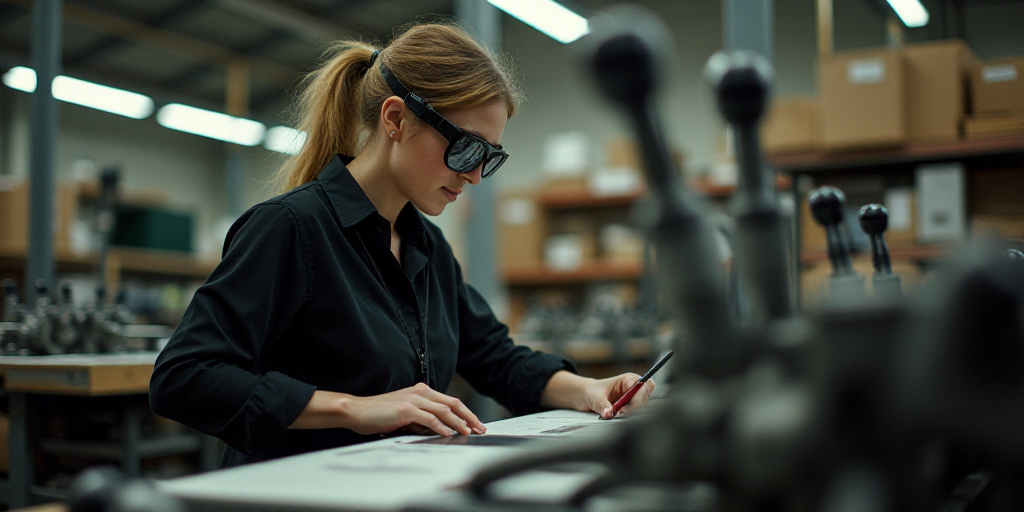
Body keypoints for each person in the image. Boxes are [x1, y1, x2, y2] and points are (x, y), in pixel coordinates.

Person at [149, 22, 656, 468]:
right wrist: (354, 407)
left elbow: (495, 358)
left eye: (490, 156)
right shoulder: (290, 229)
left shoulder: (426, 246)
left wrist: (590, 391)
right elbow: (184, 377)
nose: (476, 176)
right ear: (395, 119)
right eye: (466, 149)